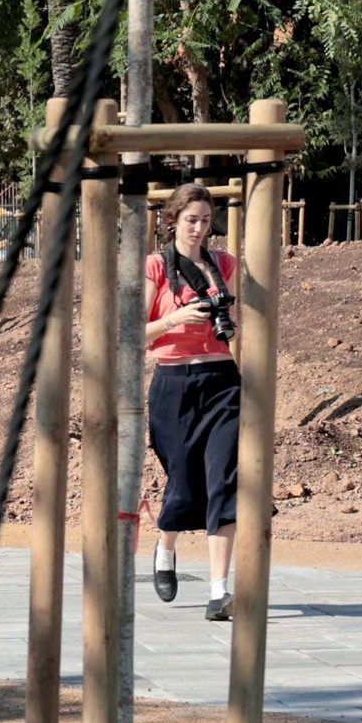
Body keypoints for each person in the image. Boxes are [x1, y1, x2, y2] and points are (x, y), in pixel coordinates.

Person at [143, 182, 244, 622]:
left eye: (206, 220)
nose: (200, 228)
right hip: (173, 382)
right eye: (191, 220)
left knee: (224, 480)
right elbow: (129, 332)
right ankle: (165, 547)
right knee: (184, 482)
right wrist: (174, 319)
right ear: (173, 220)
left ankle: (220, 590)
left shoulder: (224, 263)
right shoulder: (157, 267)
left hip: (222, 379)